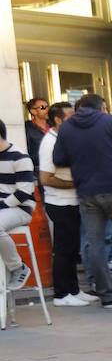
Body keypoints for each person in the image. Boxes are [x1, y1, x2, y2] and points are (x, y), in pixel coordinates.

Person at [53, 93, 112, 309]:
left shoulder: (66, 128)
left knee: (95, 244)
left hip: (85, 192)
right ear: (101, 106)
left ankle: (106, 296)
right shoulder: (110, 121)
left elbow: (58, 159)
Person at [38, 102, 89, 306]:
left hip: (70, 201)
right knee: (63, 249)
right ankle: (61, 294)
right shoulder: (50, 143)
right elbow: (46, 178)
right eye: (69, 116)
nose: (74, 120)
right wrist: (75, 184)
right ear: (58, 119)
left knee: (71, 248)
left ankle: (74, 290)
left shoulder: (63, 138)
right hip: (59, 203)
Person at [0, 119, 36, 292]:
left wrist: (1, 205)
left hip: (20, 208)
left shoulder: (20, 157)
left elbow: (23, 193)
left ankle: (18, 268)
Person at [24, 97, 48, 164]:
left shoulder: (53, 126)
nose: (47, 110)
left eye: (47, 106)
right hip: (38, 169)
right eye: (43, 107)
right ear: (33, 111)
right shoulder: (27, 128)